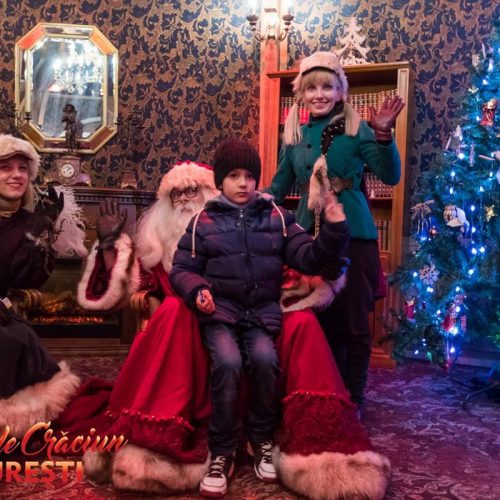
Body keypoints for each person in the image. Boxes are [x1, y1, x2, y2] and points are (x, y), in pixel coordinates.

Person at [65, 159, 391, 500]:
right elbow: (131, 287)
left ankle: (297, 445)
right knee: (175, 312)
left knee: (293, 330)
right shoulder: (164, 245)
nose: (184, 199)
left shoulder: (267, 222)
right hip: (192, 333)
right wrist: (109, 245)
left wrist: (332, 234)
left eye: (192, 190)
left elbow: (293, 267)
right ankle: (196, 442)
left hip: (253, 320)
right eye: (176, 194)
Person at [169, 139, 350, 497]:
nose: (243, 183)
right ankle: (222, 449)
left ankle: (261, 439)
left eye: (250, 176)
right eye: (234, 176)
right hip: (220, 314)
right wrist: (197, 290)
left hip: (261, 315)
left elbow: (310, 257)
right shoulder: (202, 221)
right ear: (220, 181)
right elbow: (182, 269)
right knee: (228, 362)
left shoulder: (277, 217)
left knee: (266, 361)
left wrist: (333, 229)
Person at [268, 51, 405, 410]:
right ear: (301, 93)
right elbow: (279, 185)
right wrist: (249, 199)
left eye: (327, 87)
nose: (319, 95)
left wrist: (384, 135)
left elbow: (390, 175)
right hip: (308, 240)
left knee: (353, 322)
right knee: (315, 320)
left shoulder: (358, 129)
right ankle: (322, 392)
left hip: (353, 236)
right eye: (311, 88)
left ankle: (353, 399)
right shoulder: (294, 135)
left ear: (340, 91)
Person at [0, 134, 80, 436]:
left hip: (3, 313)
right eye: (6, 167)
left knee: (15, 337)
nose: (16, 175)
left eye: (23, 168)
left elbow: (29, 278)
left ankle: (12, 420)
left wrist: (40, 231)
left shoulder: (28, 221)